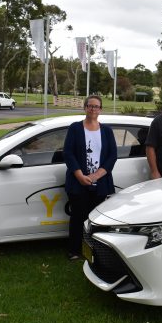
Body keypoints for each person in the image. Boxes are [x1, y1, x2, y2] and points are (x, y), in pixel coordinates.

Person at [63, 94, 117, 260]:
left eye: (96, 106)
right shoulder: (75, 128)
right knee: (78, 217)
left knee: (96, 218)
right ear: (85, 108)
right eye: (90, 106)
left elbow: (112, 156)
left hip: (100, 183)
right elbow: (68, 153)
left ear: (100, 109)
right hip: (78, 182)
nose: (93, 109)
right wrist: (79, 175)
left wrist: (96, 175)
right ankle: (75, 251)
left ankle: (96, 250)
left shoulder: (107, 131)